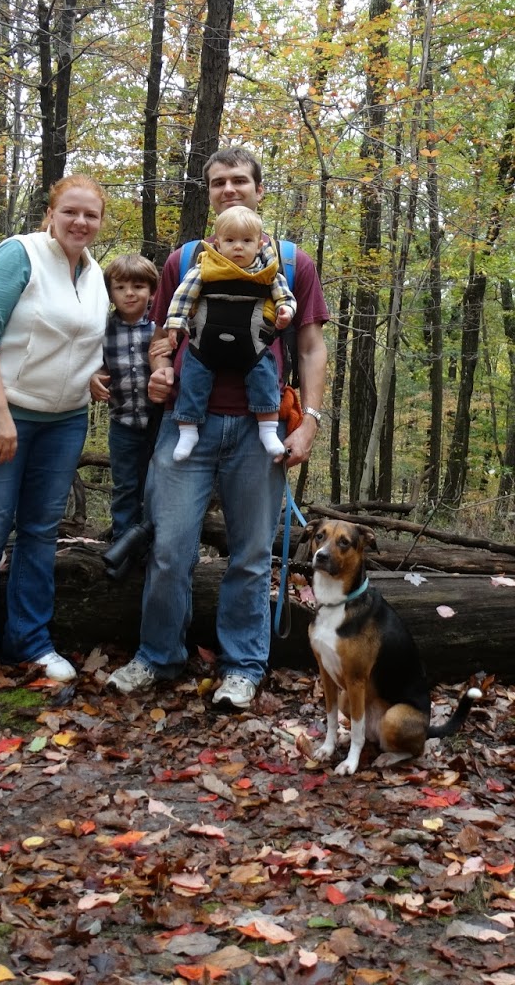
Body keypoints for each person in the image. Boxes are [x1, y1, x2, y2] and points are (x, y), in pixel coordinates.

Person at [107, 148, 329, 711]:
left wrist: (312, 423)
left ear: (258, 188)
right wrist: (160, 370)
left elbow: (309, 345)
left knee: (252, 556)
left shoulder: (290, 263)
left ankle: (243, 667)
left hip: (261, 433)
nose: (229, 189)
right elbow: (163, 334)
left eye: (239, 181)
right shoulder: (185, 261)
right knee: (168, 550)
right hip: (188, 423)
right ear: (208, 193)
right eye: (217, 183)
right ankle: (158, 656)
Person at [0, 174, 109, 692]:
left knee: (39, 532)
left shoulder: (95, 273)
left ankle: (30, 640)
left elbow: (76, 342)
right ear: (51, 213)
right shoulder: (20, 255)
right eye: (71, 211)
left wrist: (93, 377)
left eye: (91, 215)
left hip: (64, 422)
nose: (80, 222)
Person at [161, 205, 295, 463]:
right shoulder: (205, 267)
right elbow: (183, 296)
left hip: (252, 346)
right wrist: (176, 323)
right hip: (205, 345)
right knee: (193, 377)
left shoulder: (268, 272)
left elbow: (285, 297)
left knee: (265, 375)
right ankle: (188, 429)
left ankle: (268, 430)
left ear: (258, 244)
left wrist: (286, 311)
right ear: (218, 243)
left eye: (246, 241)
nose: (238, 247)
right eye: (230, 240)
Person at [91, 253, 159, 539]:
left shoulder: (161, 326)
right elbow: (95, 363)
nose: (129, 294)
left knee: (156, 485)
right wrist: (93, 377)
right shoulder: (101, 328)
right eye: (120, 288)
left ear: (152, 291)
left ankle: (151, 542)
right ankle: (122, 543)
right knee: (124, 486)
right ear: (110, 293)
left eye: (138, 287)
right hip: (123, 423)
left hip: (159, 424)